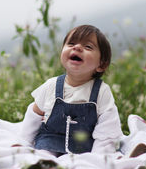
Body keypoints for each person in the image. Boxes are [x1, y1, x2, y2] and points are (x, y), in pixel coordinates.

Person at [20, 25, 123, 156]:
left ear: (101, 64)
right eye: (71, 43)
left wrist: (98, 157)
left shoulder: (101, 92)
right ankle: (44, 166)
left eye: (88, 47)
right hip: (50, 141)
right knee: (43, 156)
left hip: (85, 147)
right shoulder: (51, 85)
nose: (77, 47)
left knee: (87, 162)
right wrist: (23, 142)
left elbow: (108, 128)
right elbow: (35, 114)